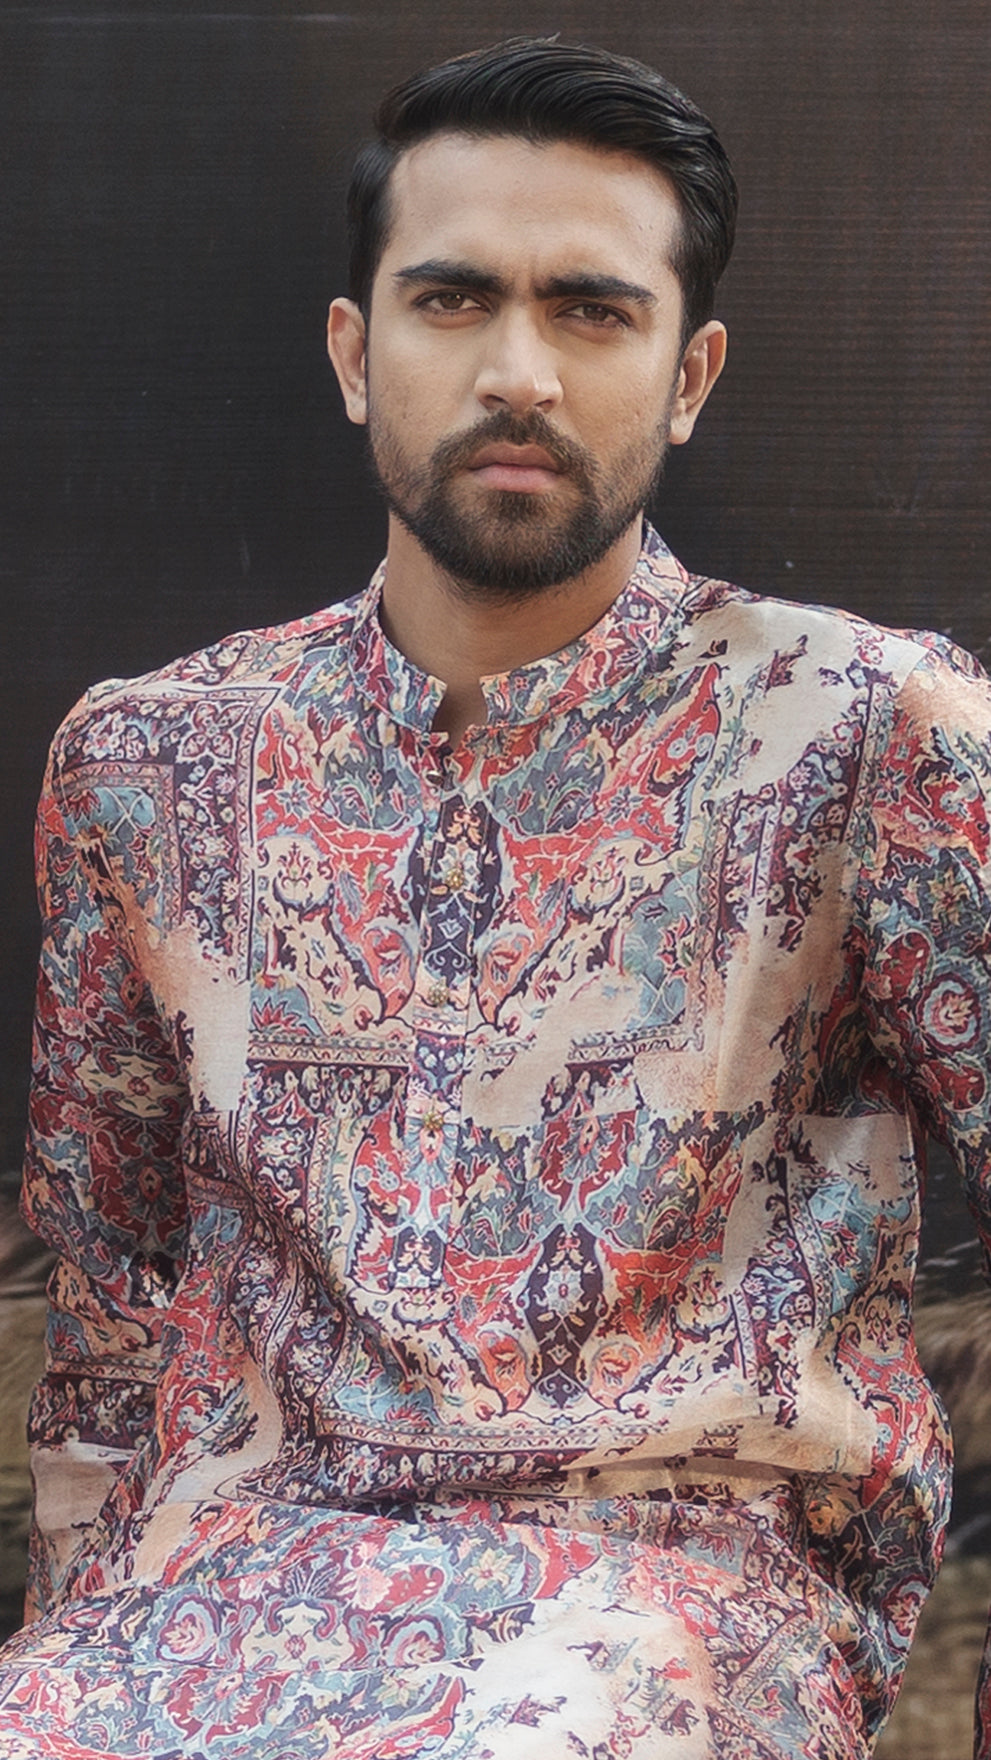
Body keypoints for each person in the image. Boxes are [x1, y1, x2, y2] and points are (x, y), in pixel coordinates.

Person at [0, 35, 988, 1760]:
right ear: (353, 350)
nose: (517, 371)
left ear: (689, 374)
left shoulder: (870, 738)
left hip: (678, 1592)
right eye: (452, 301)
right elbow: (110, 1294)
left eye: (592, 311)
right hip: (218, 1588)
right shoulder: (148, 766)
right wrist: (66, 1647)